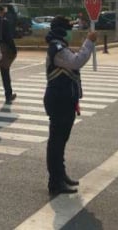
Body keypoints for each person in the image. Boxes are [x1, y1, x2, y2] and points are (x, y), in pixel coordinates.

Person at [44, 16, 97, 195]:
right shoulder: (57, 48)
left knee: (60, 142)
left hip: (65, 99)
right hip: (59, 101)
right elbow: (76, 62)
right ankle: (55, 182)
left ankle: (61, 175)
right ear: (61, 30)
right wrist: (89, 42)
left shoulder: (60, 46)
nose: (70, 30)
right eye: (68, 28)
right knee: (56, 143)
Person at [0, 5, 17, 104]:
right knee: (5, 72)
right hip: (2, 49)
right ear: (0, 12)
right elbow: (8, 37)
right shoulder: (3, 21)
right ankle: (8, 95)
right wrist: (14, 49)